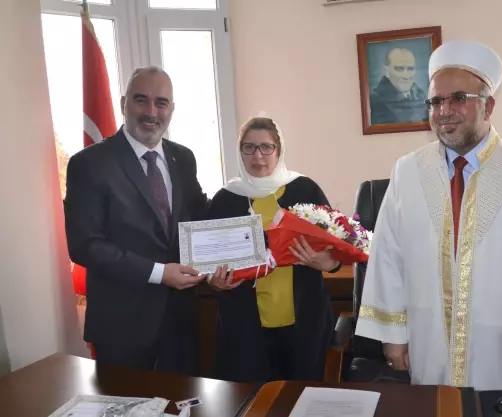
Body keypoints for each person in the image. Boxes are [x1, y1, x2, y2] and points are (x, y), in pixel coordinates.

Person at [354, 40, 502, 390]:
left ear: (488, 105)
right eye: (436, 101)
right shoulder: (408, 171)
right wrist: (393, 335)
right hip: (429, 343)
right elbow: (389, 256)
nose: (445, 110)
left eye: (459, 98)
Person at [64, 66, 209, 375]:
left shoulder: (183, 158)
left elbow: (199, 217)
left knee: (181, 407)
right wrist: (159, 273)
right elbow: (85, 246)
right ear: (123, 103)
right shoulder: (89, 164)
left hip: (179, 322)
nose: (152, 111)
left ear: (172, 109)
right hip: (121, 328)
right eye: (141, 100)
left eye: (161, 102)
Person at [205, 116, 339, 384]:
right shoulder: (225, 199)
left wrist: (327, 263)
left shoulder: (305, 189)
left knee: (302, 399)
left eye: (266, 147)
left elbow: (337, 248)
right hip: (245, 326)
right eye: (249, 147)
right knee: (252, 402)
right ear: (240, 151)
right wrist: (214, 281)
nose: (258, 156)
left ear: (279, 150)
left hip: (303, 322)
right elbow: (209, 262)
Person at [370, 47, 427, 125]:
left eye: (410, 69)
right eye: (399, 69)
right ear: (386, 71)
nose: (406, 76)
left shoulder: (423, 98)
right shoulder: (375, 103)